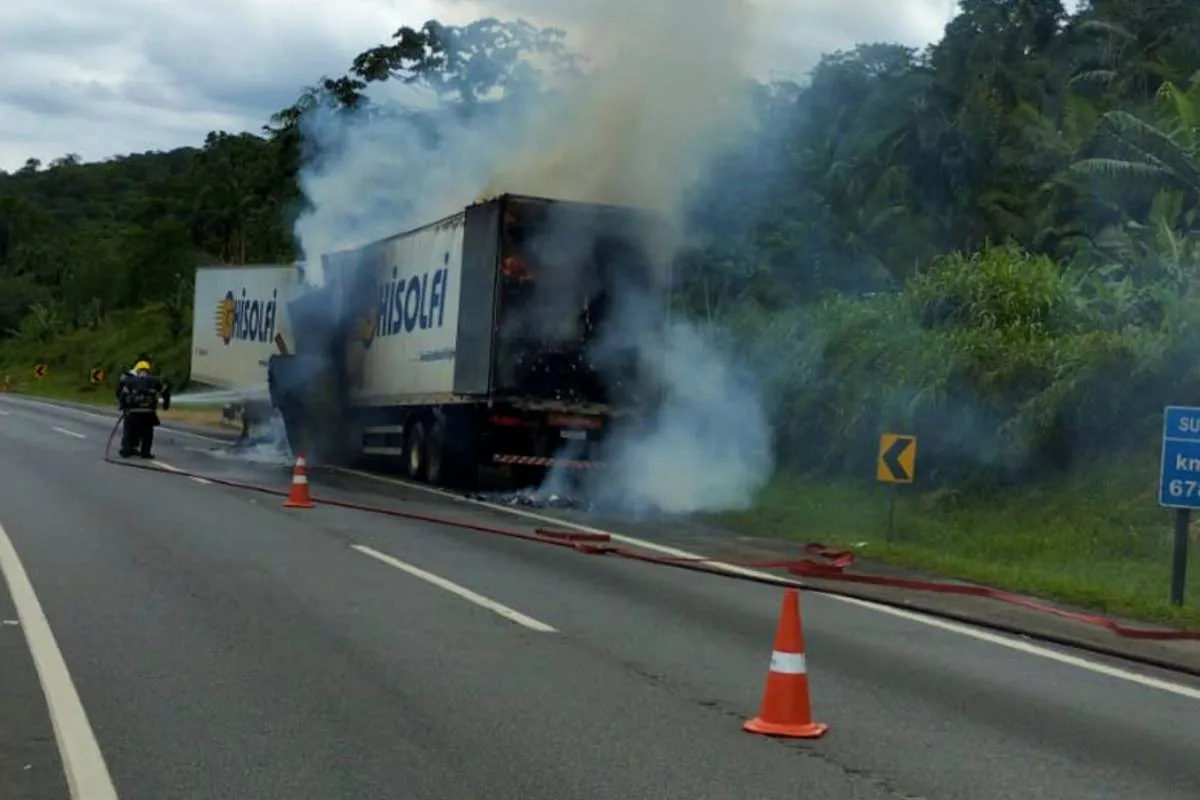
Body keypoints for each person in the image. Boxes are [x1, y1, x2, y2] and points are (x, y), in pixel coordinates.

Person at [116, 359, 171, 458]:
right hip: (148, 412)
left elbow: (122, 395)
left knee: (129, 430)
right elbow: (165, 392)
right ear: (148, 371)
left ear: (137, 371)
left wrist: (123, 407)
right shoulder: (155, 381)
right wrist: (165, 405)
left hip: (132, 412)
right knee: (147, 433)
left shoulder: (130, 381)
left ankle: (126, 450)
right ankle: (145, 453)